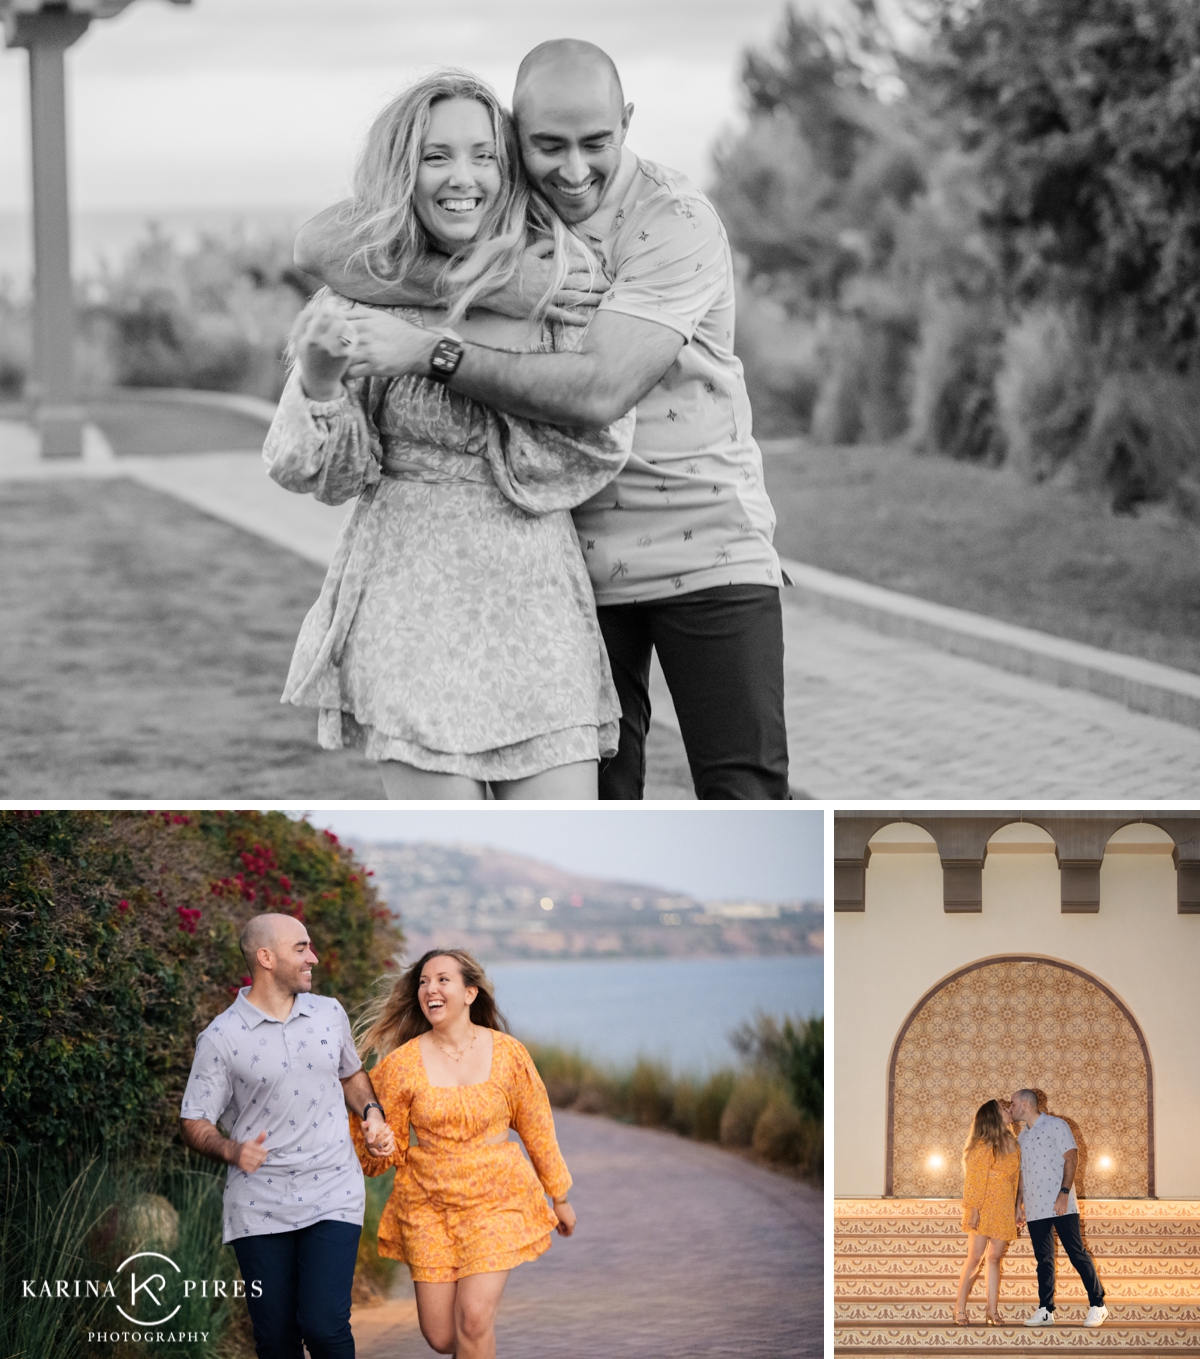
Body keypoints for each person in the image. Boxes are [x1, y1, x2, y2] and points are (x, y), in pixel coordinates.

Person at [295, 39, 791, 801]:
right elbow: (323, 241)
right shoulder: (509, 206)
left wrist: (434, 348)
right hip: (578, 560)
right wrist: (488, 284)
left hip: (708, 546)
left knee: (743, 793)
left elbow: (598, 393)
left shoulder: (674, 220)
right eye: (547, 146)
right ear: (515, 134)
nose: (573, 170)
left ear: (627, 123)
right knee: (608, 802)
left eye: (597, 143)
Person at [265, 70, 633, 800]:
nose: (462, 178)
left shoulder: (560, 278)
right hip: (409, 598)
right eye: (437, 156)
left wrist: (443, 357)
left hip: (535, 603)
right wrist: (317, 382)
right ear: (405, 171)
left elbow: (597, 443)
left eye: (483, 155)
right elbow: (322, 475)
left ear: (508, 167)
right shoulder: (360, 291)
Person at [180, 912, 397, 1359]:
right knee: (276, 1339)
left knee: (324, 1328)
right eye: (301, 948)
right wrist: (232, 1149)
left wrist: (372, 1113)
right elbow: (194, 1120)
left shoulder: (328, 1013)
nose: (312, 957)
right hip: (258, 1205)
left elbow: (351, 1074)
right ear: (265, 957)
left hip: (333, 1191)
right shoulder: (221, 1038)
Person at [350, 948, 574, 1359]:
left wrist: (558, 1195)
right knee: (442, 1336)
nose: (429, 989)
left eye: (441, 980)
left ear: (470, 993)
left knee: (472, 1319)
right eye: (422, 982)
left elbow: (537, 1126)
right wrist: (376, 1141)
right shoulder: (402, 1064)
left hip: (496, 1197)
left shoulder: (508, 1054)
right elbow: (382, 1149)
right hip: (428, 1203)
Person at [1010, 1088, 1109, 1328]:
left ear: (1025, 1104)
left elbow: (1071, 1157)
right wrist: (1018, 1204)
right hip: (1035, 1207)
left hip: (1060, 1203)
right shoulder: (1022, 1137)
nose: (1010, 1108)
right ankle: (1046, 1309)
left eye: (1013, 1104)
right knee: (1043, 1259)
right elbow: (1022, 1174)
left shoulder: (1056, 1125)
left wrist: (1064, 1193)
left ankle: (1098, 1304)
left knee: (1076, 1253)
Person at [953, 1099, 1020, 1326]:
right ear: (993, 1115)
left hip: (1003, 1206)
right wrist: (973, 1209)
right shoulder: (981, 1145)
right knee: (975, 1257)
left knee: (994, 1258)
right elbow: (973, 1180)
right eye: (1004, 1108)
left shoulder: (1013, 1144)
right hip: (982, 1205)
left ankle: (992, 1311)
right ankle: (959, 1308)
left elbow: (1015, 1180)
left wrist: (1016, 1208)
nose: (1009, 1109)